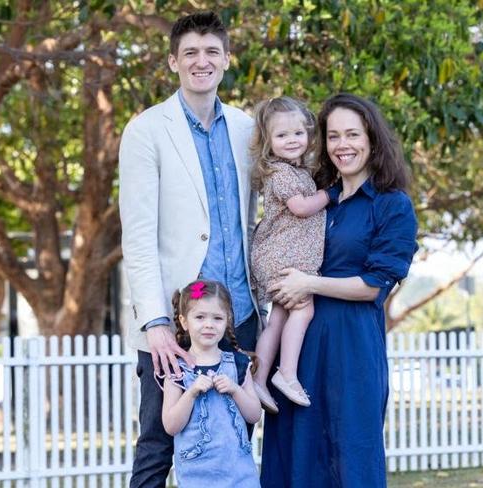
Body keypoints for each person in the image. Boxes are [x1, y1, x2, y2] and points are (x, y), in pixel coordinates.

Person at [118, 12, 261, 487]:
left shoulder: (247, 128)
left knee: (236, 441)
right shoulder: (146, 129)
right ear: (174, 62)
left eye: (212, 52)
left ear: (226, 60)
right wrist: (156, 323)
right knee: (160, 444)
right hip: (176, 322)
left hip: (239, 317)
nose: (202, 61)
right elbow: (137, 236)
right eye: (191, 53)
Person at [260, 93, 419, 487]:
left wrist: (308, 283)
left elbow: (374, 285)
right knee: (293, 459)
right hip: (295, 355)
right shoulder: (316, 199)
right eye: (333, 136)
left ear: (372, 138)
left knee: (350, 457)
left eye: (352, 134)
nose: (342, 145)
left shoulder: (391, 206)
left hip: (351, 348)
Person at [248, 97, 328, 412]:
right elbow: (300, 207)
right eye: (282, 136)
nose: (292, 140)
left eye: (298, 133)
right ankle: (287, 374)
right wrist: (329, 194)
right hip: (281, 258)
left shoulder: (299, 171)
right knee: (304, 309)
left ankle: (258, 377)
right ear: (268, 142)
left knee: (278, 317)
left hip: (281, 257)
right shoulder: (280, 173)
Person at [162, 280, 262, 488]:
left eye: (217, 318)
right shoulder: (177, 370)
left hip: (239, 475)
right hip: (196, 476)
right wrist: (191, 393)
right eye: (200, 317)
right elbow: (171, 425)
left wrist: (235, 389)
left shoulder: (238, 364)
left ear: (227, 321)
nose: (209, 324)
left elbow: (254, 414)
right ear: (184, 321)